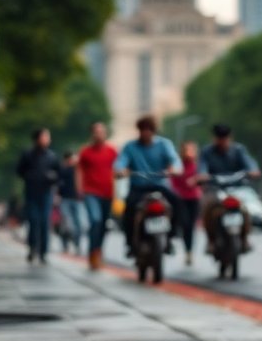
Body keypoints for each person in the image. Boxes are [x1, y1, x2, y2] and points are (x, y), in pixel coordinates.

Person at [115, 115, 183, 258]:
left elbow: (175, 161)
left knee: (177, 202)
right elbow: (120, 163)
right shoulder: (130, 147)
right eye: (143, 130)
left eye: (149, 130)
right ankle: (130, 244)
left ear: (154, 131)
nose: (146, 133)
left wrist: (174, 170)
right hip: (138, 188)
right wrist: (121, 171)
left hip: (159, 186)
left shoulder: (165, 144)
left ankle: (170, 237)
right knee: (128, 210)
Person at [196, 124, 261, 255]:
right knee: (208, 208)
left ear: (230, 138)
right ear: (214, 138)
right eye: (219, 138)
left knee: (245, 209)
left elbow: (250, 164)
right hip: (215, 189)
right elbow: (202, 167)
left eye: (225, 138)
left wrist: (253, 171)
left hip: (237, 189)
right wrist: (202, 176)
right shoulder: (207, 151)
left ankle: (244, 239)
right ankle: (211, 240)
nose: (222, 141)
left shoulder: (239, 150)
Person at [76, 122, 117, 271]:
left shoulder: (112, 151)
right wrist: (79, 189)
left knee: (104, 225)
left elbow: (119, 168)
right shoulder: (85, 152)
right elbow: (79, 170)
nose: (99, 134)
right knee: (95, 220)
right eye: (96, 132)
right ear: (92, 134)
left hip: (108, 193)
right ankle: (93, 252)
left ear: (105, 134)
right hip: (90, 192)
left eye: (102, 132)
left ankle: (98, 250)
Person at [16, 128, 58, 264]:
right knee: (33, 221)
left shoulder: (51, 156)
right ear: (37, 138)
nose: (47, 139)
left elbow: (58, 173)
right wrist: (29, 176)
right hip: (31, 193)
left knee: (45, 222)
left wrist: (52, 177)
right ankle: (32, 247)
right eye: (45, 136)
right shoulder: (27, 155)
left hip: (46, 193)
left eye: (48, 137)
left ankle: (43, 252)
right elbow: (19, 171)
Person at [172, 141, 203, 266]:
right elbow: (173, 181)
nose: (189, 153)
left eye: (192, 150)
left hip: (194, 198)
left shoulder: (198, 166)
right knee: (184, 224)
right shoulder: (178, 166)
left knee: (190, 226)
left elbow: (202, 178)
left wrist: (196, 180)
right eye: (187, 150)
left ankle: (189, 252)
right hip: (181, 199)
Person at [57, 147, 86, 255]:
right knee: (67, 224)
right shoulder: (62, 170)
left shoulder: (78, 170)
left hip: (77, 200)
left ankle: (77, 245)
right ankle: (65, 245)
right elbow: (57, 184)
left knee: (79, 224)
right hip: (65, 199)